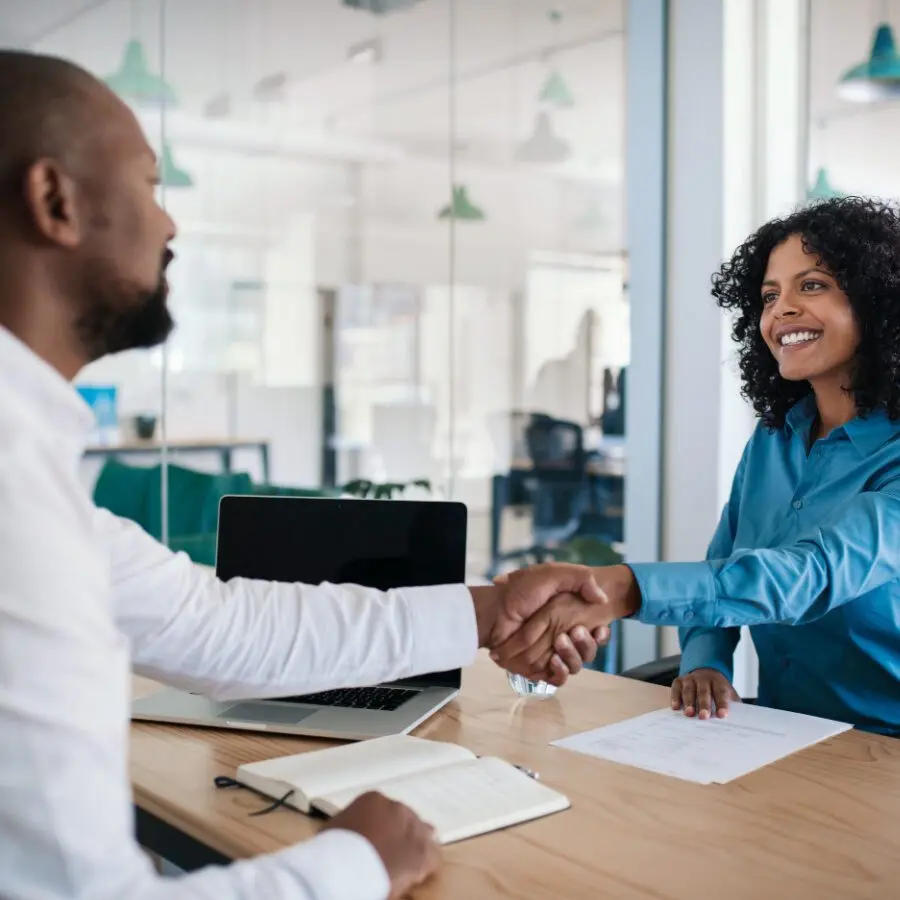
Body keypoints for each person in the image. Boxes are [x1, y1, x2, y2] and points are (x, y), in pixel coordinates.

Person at [0, 51, 608, 900]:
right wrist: (353, 861)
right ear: (55, 201)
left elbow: (219, 625)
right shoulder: (13, 500)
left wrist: (486, 608)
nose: (170, 224)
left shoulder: (30, 473)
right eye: (148, 183)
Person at [494, 197, 900, 737]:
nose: (782, 310)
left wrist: (616, 590)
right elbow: (728, 559)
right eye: (769, 295)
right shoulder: (775, 439)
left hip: (879, 750)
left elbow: (806, 577)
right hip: (777, 734)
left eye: (812, 285)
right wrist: (706, 660)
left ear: (878, 302)